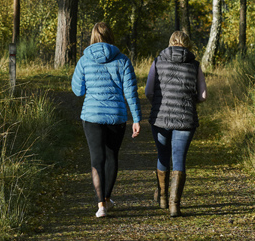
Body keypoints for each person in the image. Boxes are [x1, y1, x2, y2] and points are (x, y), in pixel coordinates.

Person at [72, 22, 142, 218]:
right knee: (112, 157)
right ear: (111, 36)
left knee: (97, 158)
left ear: (93, 37)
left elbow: (78, 90)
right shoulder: (122, 60)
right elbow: (131, 92)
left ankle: (100, 204)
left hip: (92, 116)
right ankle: (107, 198)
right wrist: (136, 118)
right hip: (116, 116)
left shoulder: (84, 61)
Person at [146, 30, 207, 217]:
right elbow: (203, 96)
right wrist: (191, 101)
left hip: (160, 118)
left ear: (170, 42)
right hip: (186, 119)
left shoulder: (157, 61)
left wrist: (158, 104)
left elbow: (149, 91)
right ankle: (175, 205)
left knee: (163, 155)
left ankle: (163, 198)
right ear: (187, 44)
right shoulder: (195, 65)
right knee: (179, 159)